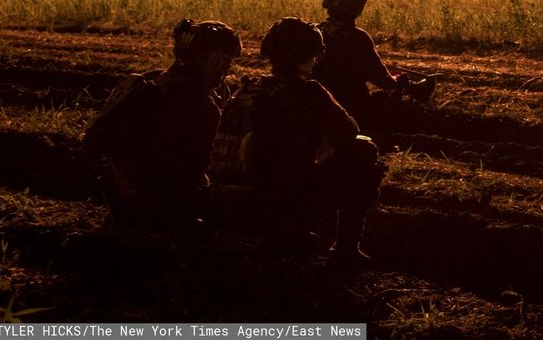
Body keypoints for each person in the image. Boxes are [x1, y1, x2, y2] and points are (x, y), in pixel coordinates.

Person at [248, 17, 384, 267]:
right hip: (290, 198)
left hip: (248, 195)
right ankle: (346, 248)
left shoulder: (251, 88)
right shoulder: (310, 92)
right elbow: (348, 132)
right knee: (364, 151)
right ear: (309, 55)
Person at [84, 19, 240, 230]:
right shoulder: (199, 105)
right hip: (161, 206)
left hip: (119, 198)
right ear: (211, 60)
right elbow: (210, 164)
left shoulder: (146, 82)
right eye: (225, 61)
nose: (227, 68)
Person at [313, 0, 434, 132]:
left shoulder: (314, 32)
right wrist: (407, 85)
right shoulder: (357, 37)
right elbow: (384, 81)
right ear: (356, 11)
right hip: (349, 108)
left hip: (315, 103)